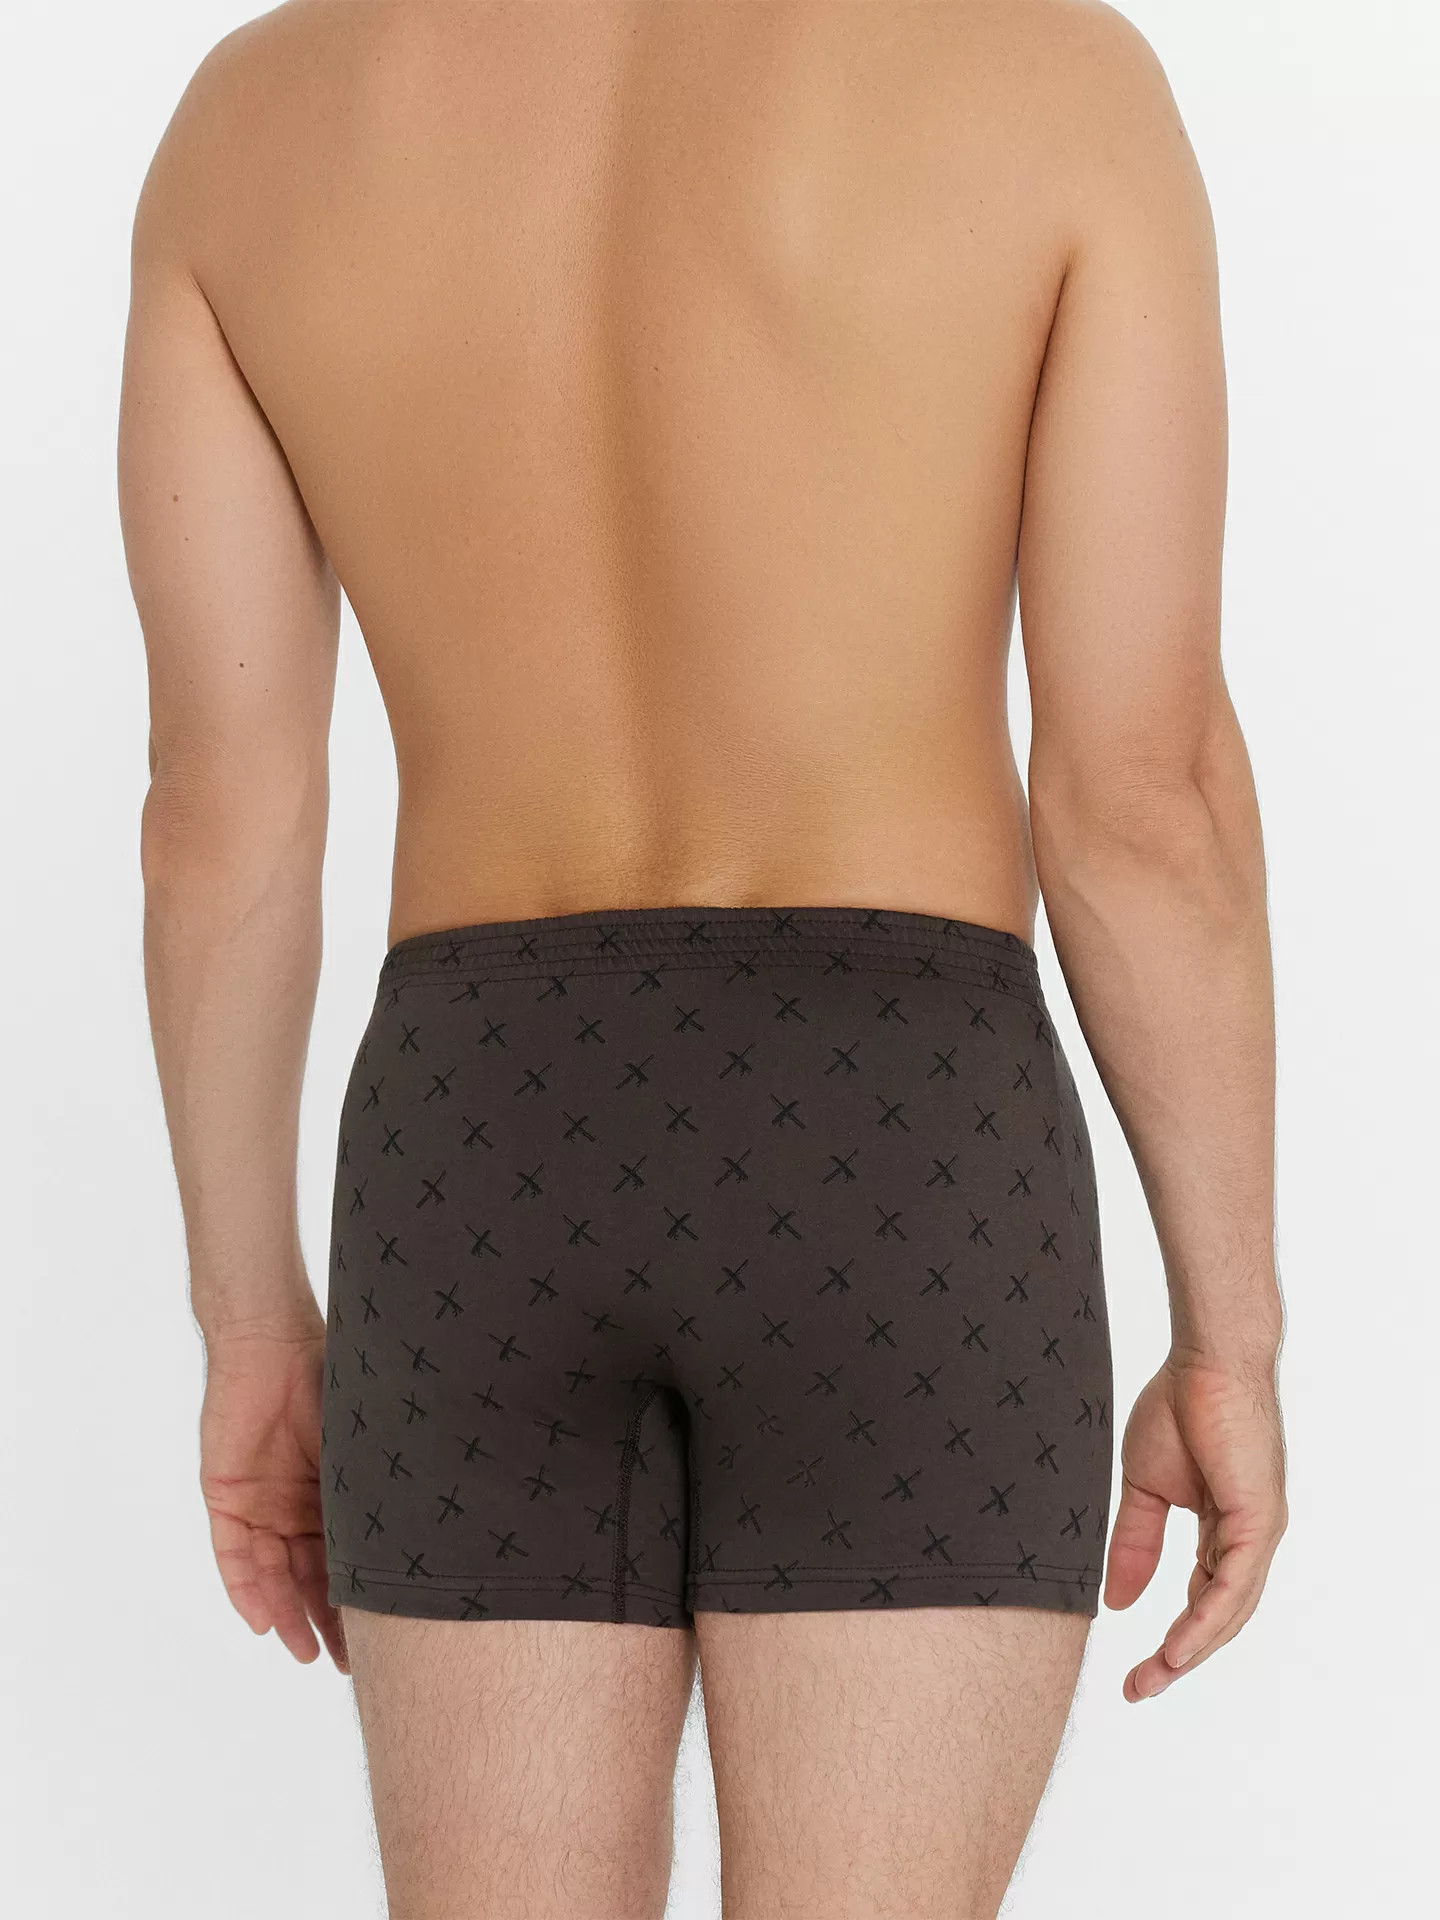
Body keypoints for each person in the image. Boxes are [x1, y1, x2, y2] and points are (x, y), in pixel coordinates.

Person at [119, 2, 1287, 1913]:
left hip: (475, 1165)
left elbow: (218, 818)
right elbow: (1139, 798)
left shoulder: (257, 120)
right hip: (899, 1156)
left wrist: (253, 1326)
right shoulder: (1046, 75)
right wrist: (1230, 1334)